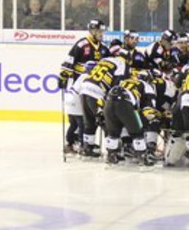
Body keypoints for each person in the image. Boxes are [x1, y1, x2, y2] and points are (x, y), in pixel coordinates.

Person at [57, 19, 109, 155]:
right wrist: (63, 76)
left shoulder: (103, 47)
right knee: (77, 117)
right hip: (79, 86)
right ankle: (73, 142)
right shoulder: (82, 44)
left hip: (94, 86)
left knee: (90, 116)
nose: (101, 33)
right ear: (91, 31)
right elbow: (69, 61)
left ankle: (85, 141)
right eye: (98, 31)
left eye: (102, 31)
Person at [103, 65, 158, 167]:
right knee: (137, 132)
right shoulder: (146, 85)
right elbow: (149, 109)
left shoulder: (123, 81)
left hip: (109, 101)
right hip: (125, 102)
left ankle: (111, 155)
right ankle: (142, 158)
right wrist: (148, 120)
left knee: (113, 132)